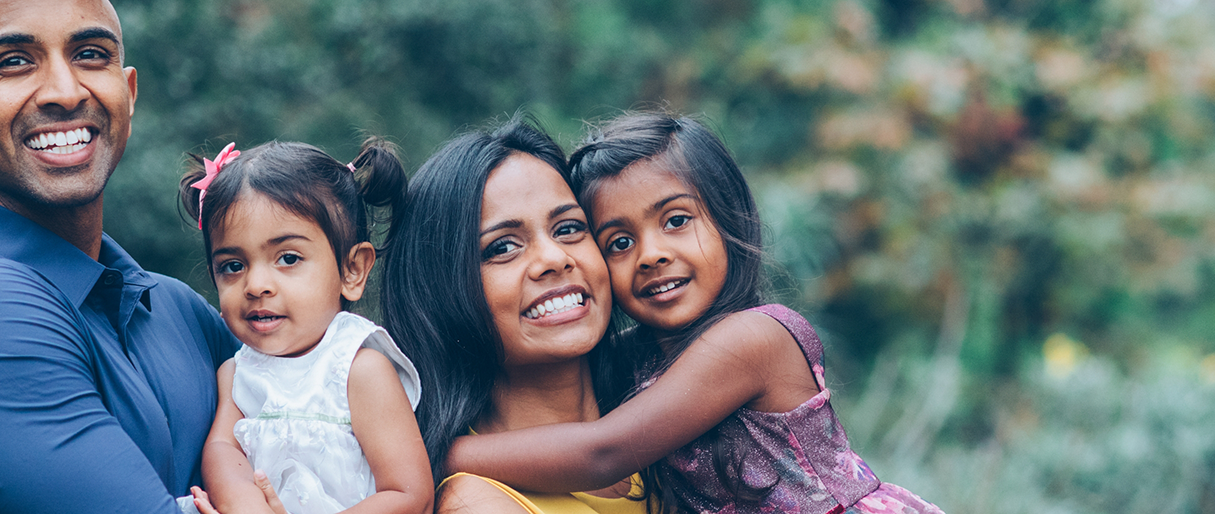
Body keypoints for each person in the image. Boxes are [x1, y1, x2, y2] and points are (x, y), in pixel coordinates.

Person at [442, 112, 946, 514]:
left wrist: (441, 454)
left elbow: (603, 453)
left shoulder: (753, 339)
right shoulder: (631, 358)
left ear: (730, 218)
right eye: (618, 242)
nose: (651, 253)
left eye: (677, 220)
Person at [0, 0, 239, 513]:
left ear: (129, 91)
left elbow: (340, 437)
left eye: (91, 55)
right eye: (14, 62)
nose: (66, 92)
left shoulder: (178, 311)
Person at [377, 118, 648, 514]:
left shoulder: (663, 416)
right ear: (440, 289)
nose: (555, 259)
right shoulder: (474, 501)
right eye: (502, 247)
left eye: (569, 228)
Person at [179, 140, 432, 514]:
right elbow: (221, 452)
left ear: (352, 270)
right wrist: (247, 506)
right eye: (233, 266)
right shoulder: (236, 373)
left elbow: (410, 496)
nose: (255, 285)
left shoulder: (358, 370)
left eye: (288, 258)